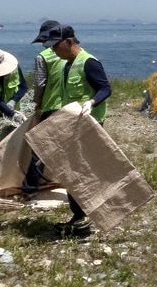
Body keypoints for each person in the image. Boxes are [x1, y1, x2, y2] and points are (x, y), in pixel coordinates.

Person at [46, 25, 112, 237]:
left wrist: (92, 102)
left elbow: (106, 88)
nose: (53, 51)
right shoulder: (67, 64)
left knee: (82, 169)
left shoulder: (89, 62)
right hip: (72, 123)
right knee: (72, 169)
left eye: (55, 46)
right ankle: (78, 215)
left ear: (68, 42)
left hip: (90, 123)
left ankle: (84, 217)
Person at [21, 19, 66, 198]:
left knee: (40, 148)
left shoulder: (43, 57)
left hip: (51, 106)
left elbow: (39, 84)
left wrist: (37, 102)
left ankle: (30, 188)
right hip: (73, 106)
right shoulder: (74, 54)